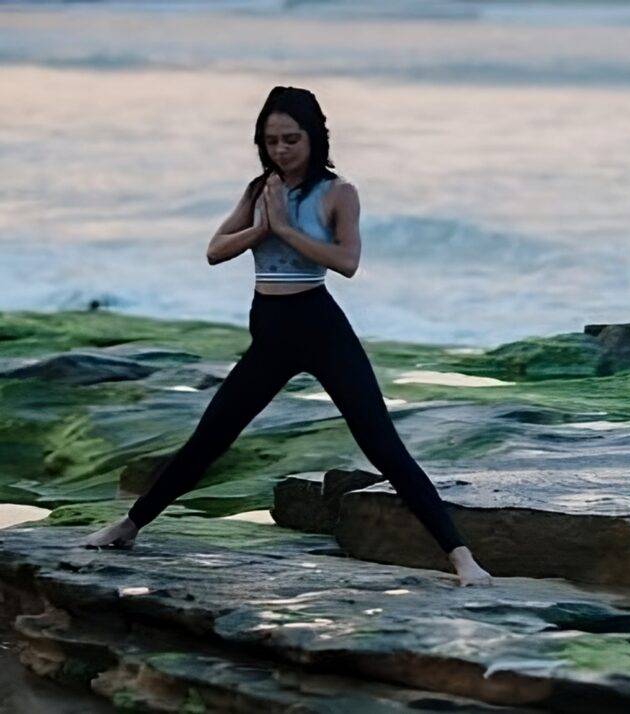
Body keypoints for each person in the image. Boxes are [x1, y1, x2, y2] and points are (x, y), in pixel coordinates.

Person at [80, 86, 493, 587]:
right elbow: (214, 250)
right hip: (271, 332)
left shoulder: (339, 193)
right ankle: (129, 525)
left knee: (382, 445)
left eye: (291, 139)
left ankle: (461, 558)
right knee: (211, 437)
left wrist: (286, 230)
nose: (281, 150)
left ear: (315, 136)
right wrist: (261, 228)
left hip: (320, 326)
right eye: (271, 140)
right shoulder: (260, 189)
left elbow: (348, 262)